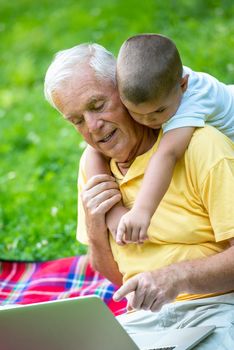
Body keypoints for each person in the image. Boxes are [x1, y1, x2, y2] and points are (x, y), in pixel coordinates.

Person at [44, 43, 234, 348]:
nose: (92, 127)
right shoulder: (94, 168)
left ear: (123, 90)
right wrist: (95, 227)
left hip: (217, 308)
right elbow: (122, 281)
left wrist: (177, 277)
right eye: (77, 120)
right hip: (146, 319)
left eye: (97, 105)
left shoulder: (201, 147)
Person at [85, 34, 234, 246]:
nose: (149, 120)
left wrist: (141, 212)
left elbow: (167, 155)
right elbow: (93, 150)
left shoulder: (192, 102)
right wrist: (113, 211)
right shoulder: (161, 84)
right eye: (136, 113)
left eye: (159, 111)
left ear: (183, 85)